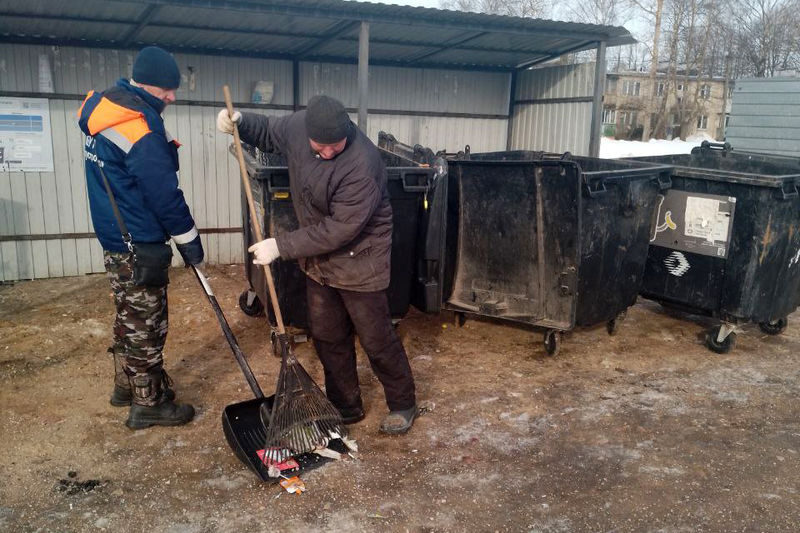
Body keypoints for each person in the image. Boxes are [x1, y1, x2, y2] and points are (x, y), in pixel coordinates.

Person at [217, 95, 418, 434]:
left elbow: (340, 230)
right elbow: (267, 131)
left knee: (376, 338)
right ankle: (346, 406)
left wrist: (281, 245)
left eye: (335, 146)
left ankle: (403, 403)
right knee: (327, 335)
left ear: (347, 134)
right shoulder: (298, 127)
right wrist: (240, 121)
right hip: (319, 259)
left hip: (360, 261)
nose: (328, 152)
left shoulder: (362, 164)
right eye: (320, 146)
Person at [78, 46, 202, 430]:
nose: (172, 97)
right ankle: (148, 403)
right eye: (167, 89)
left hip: (117, 237)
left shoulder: (107, 111)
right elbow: (164, 193)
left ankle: (125, 386)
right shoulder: (139, 127)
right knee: (147, 322)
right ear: (148, 84)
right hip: (138, 242)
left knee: (127, 316)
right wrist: (190, 241)